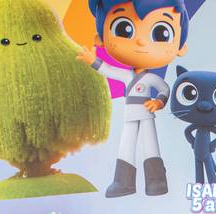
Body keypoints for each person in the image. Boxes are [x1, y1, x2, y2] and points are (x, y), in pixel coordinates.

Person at [79, 0, 190, 198]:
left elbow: (164, 89)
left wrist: (159, 101)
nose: (141, 42)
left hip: (147, 114)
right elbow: (108, 70)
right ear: (100, 38)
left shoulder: (151, 78)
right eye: (124, 29)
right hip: (130, 115)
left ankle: (156, 181)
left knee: (151, 144)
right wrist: (92, 61)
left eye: (161, 33)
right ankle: (123, 182)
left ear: (181, 47)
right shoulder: (126, 76)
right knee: (126, 145)